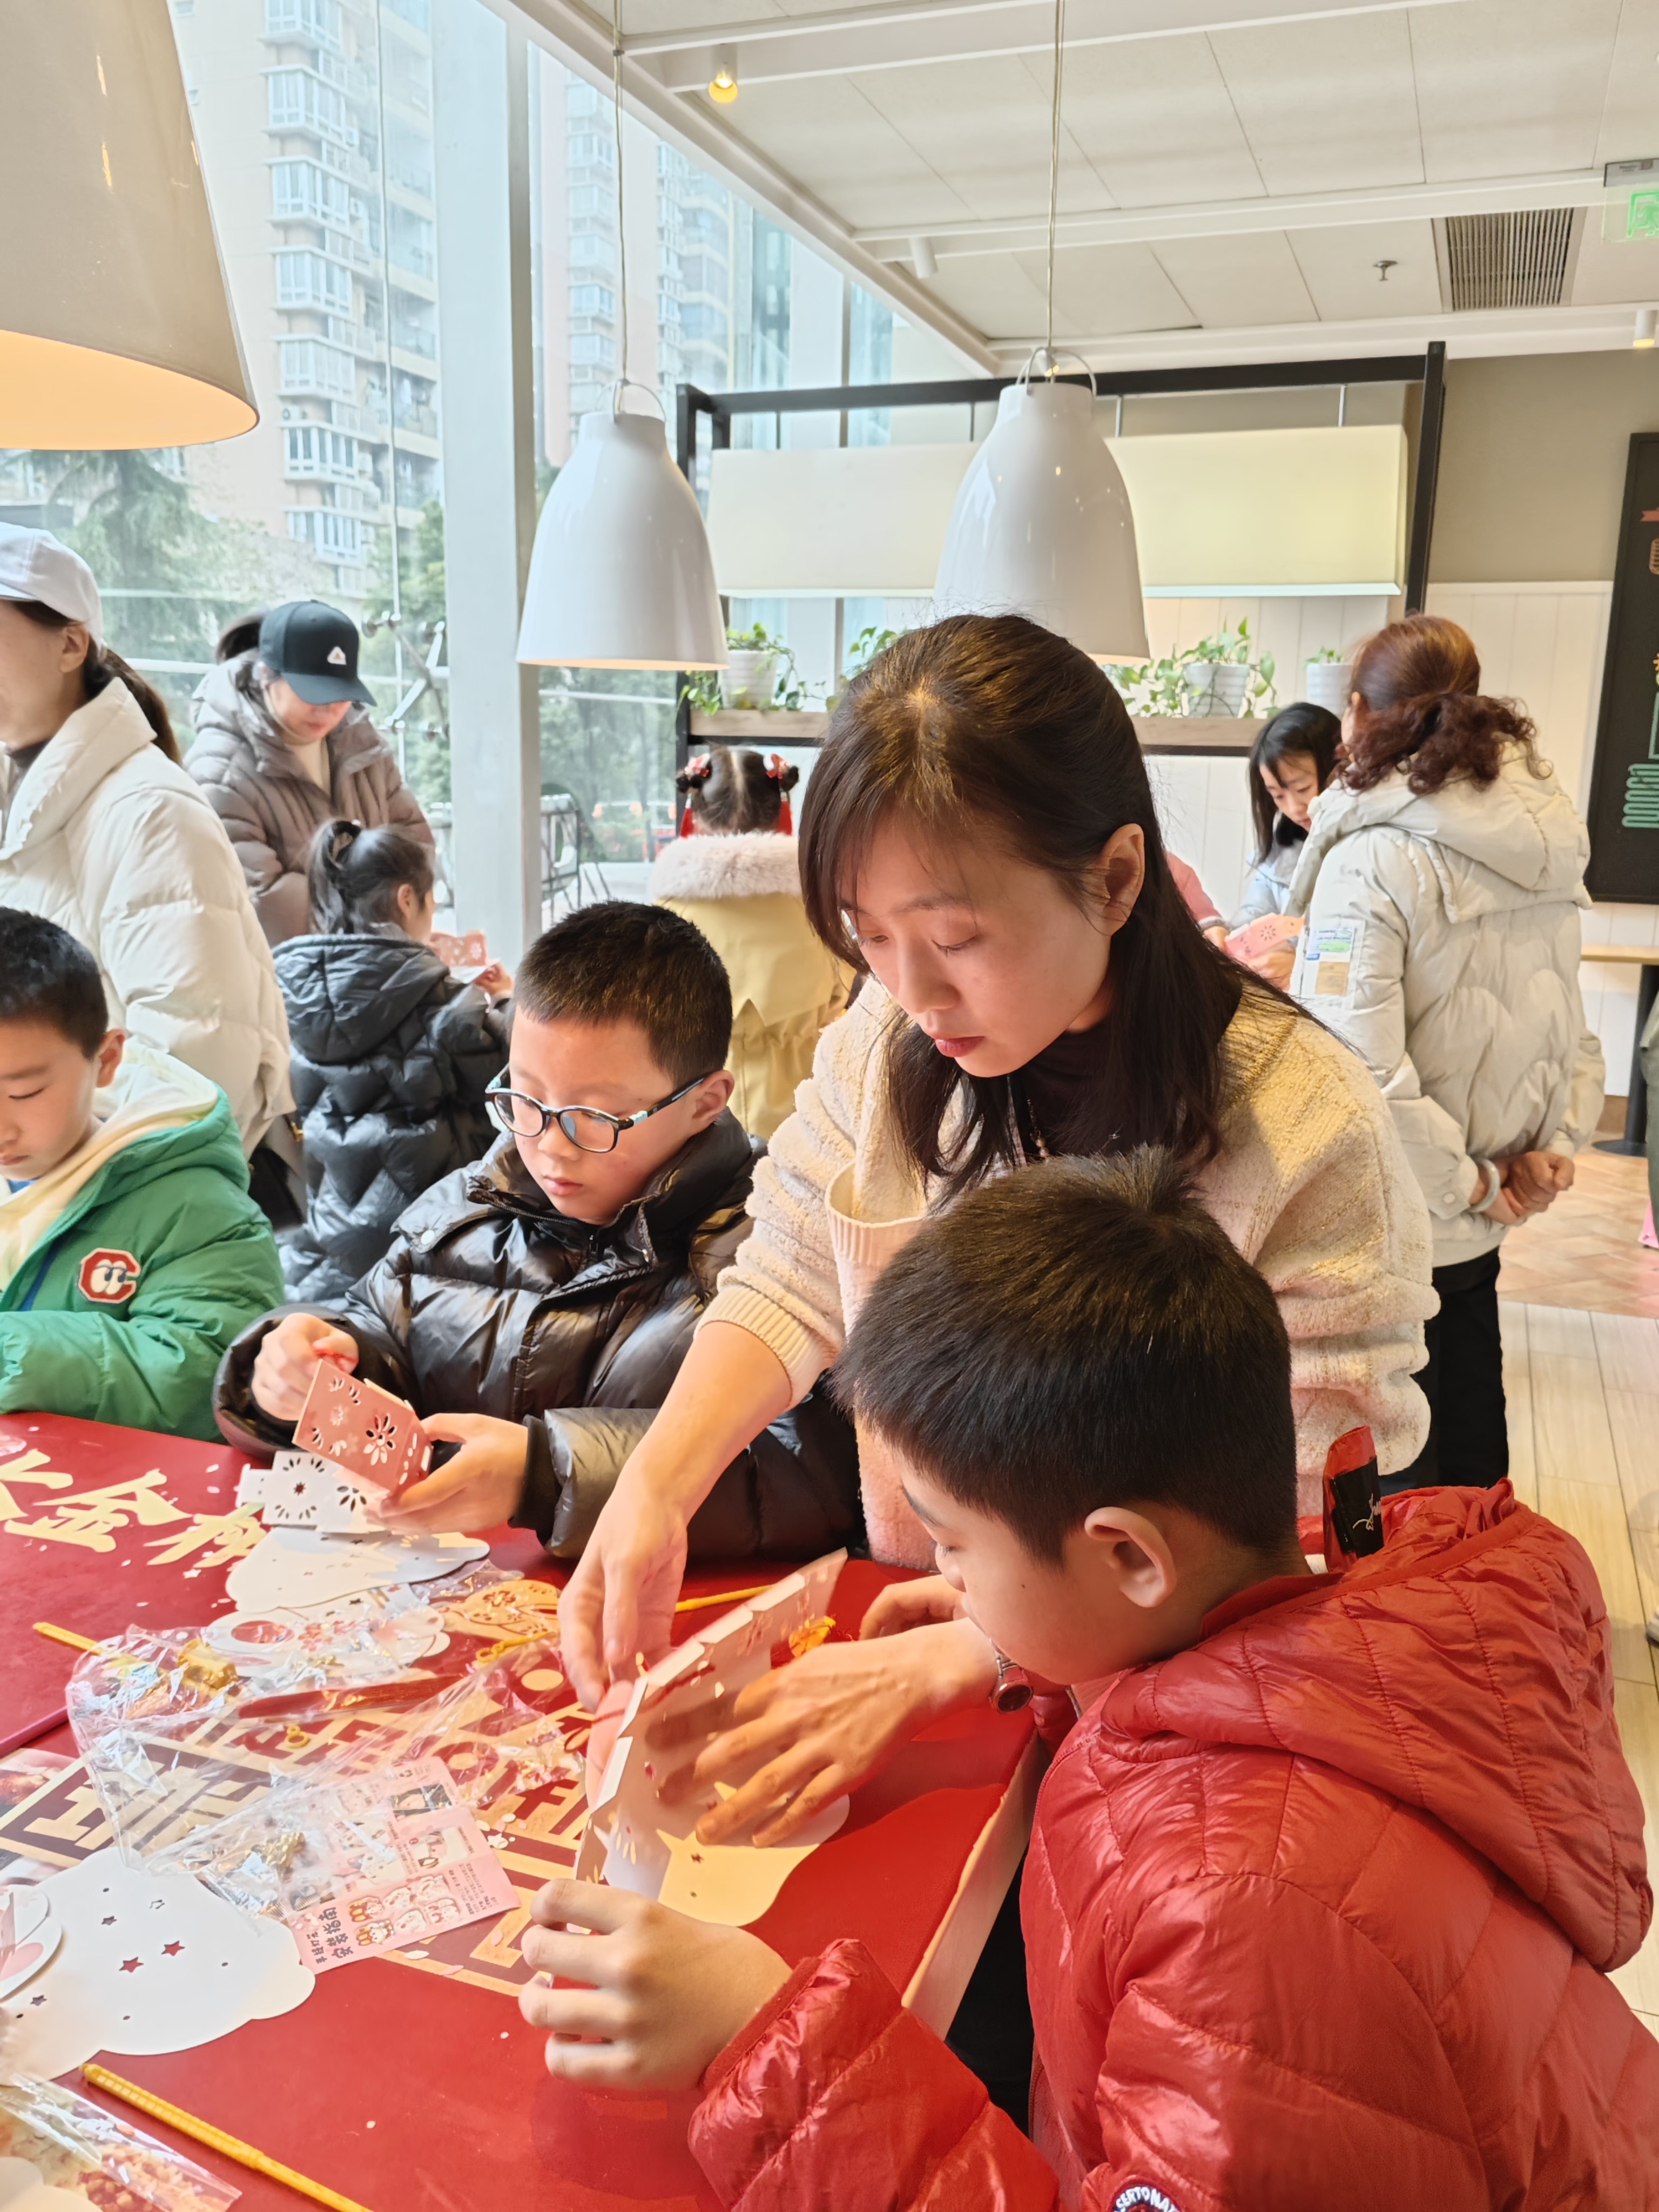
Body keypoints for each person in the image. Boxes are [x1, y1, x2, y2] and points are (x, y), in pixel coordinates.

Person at [515, 1152, 1659, 2209]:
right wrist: (1046, 1646)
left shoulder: (1243, 1922)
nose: (945, 1573)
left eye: (954, 1541)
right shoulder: (1338, 1611)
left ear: (1130, 1557)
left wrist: (763, 2041)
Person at [524, 614, 1433, 1712]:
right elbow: (793, 1270)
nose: (913, 991)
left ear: (1116, 878)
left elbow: (1290, 1529)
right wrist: (654, 1488)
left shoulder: (1304, 1124)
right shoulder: (885, 1039)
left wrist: (989, 1647)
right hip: (916, 1628)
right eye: (868, 934)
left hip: (1167, 1706)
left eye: (954, 938)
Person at [213, 901, 860, 1562]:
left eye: (594, 1117)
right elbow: (377, 1333)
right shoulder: (464, 1206)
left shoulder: (777, 1247)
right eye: (524, 1100)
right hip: (445, 1600)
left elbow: (811, 1470)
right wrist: (300, 1369)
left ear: (705, 1101)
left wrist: (546, 1476)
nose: (550, 1146)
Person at [1287, 614, 1604, 1489]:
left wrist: (1475, 1185)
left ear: (1359, 714)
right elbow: (1570, 1029)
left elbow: (1356, 1075)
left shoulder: (1371, 860)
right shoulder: (1541, 845)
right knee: (1471, 1460)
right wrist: (1545, 1152)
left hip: (1400, 1219)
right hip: (1481, 1208)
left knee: (1386, 1480)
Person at [0, 525, 291, 1157]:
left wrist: (57, 1177)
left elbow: (196, 1069)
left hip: (134, 1201)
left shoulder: (149, 813)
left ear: (71, 643)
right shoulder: (21, 802)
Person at [0, 909, 284, 1440]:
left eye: (24, 1092)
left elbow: (211, 1373)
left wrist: (11, 1352)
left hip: (100, 1487)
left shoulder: (196, 1206)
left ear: (106, 1059)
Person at [274, 819, 514, 1303]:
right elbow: (515, 1069)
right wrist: (506, 998)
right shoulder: (439, 1000)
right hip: (431, 1245)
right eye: (431, 900)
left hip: (333, 1248)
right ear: (407, 899)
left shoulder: (298, 998)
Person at [187, 599, 434, 948]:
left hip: (375, 959)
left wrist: (406, 925)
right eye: (313, 693)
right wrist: (384, 926)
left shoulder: (362, 741)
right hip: (294, 973)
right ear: (265, 674)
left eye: (340, 693)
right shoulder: (220, 772)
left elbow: (414, 846)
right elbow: (264, 903)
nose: (329, 709)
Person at [650, 748, 850, 1139]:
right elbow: (840, 1005)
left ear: (695, 815)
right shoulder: (821, 912)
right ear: (782, 812)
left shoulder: (660, 918)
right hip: (804, 1124)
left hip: (691, 1129)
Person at [1231, 699, 1341, 936]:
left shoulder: (1367, 847)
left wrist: (1294, 956)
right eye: (1278, 796)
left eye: (1303, 789)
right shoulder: (1279, 856)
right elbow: (1250, 921)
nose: (1294, 809)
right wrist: (1221, 933)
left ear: (1339, 769)